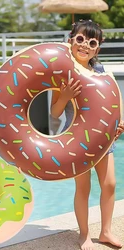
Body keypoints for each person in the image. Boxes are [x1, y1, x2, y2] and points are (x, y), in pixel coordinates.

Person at [51, 20, 124, 250]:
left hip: (103, 137)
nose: (85, 45)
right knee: (83, 188)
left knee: (110, 184)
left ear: (97, 48)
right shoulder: (64, 74)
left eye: (91, 42)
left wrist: (119, 122)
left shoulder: (102, 72)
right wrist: (64, 95)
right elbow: (55, 112)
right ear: (71, 40)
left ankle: (105, 232)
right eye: (80, 39)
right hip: (77, 139)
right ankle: (84, 234)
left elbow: (113, 100)